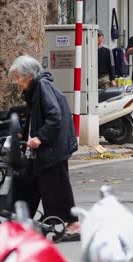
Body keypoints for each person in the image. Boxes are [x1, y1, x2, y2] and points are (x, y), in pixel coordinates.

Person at [8, 55, 81, 242]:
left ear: (29, 76)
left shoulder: (42, 86)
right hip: (49, 146)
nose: (16, 81)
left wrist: (40, 137)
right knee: (31, 181)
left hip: (53, 147)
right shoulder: (37, 87)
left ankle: (73, 224)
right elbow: (36, 117)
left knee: (57, 185)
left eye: (18, 77)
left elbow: (54, 116)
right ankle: (23, 221)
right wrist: (24, 137)